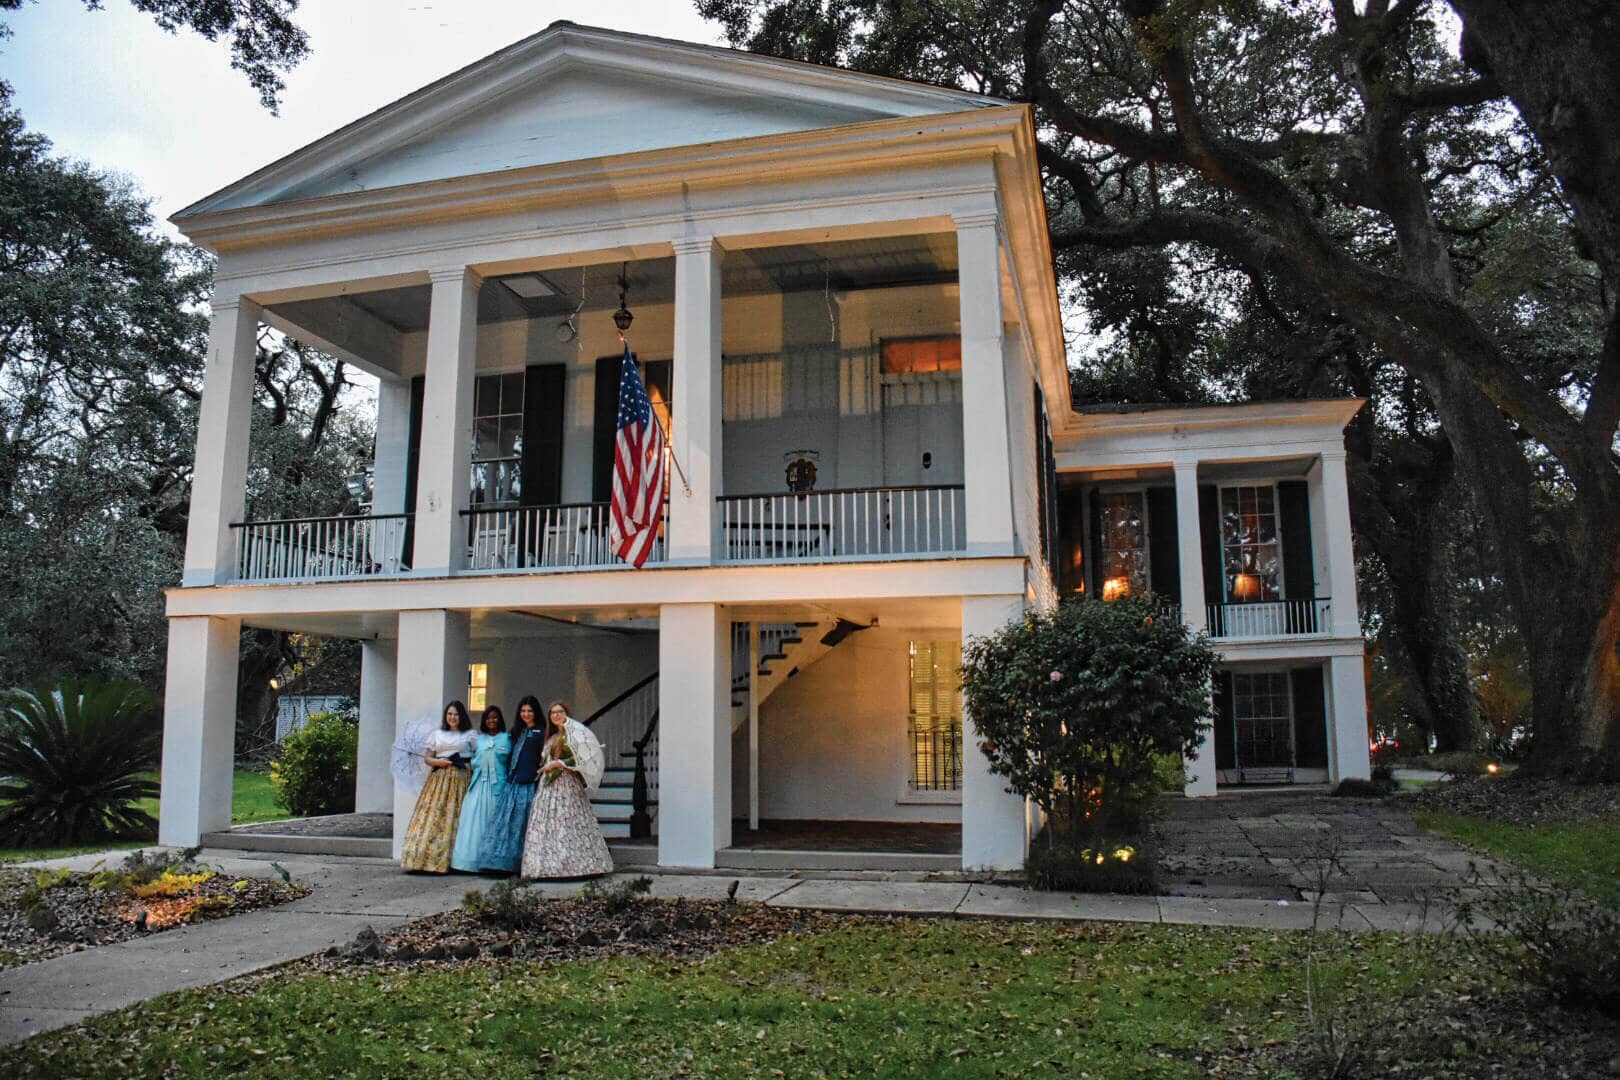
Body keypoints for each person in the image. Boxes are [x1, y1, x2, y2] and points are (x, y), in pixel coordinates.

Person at [520, 701, 612, 879]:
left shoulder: (574, 736)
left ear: (566, 713)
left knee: (568, 820)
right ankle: (546, 866)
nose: (556, 715)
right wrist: (546, 764)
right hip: (548, 785)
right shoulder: (551, 738)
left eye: (559, 712)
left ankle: (577, 866)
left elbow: (579, 761)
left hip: (567, 783)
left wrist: (559, 763)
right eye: (553, 713)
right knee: (546, 823)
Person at [400, 700, 477, 873]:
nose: (452, 717)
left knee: (457, 816)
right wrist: (439, 762)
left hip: (460, 778)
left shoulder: (470, 735)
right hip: (440, 778)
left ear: (461, 716)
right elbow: (428, 758)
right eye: (449, 714)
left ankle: (454, 860)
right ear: (446, 716)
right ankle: (425, 859)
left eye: (456, 714)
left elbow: (475, 757)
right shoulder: (437, 734)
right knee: (435, 815)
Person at [476, 695, 545, 873]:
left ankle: (523, 863)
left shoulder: (541, 732)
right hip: (513, 782)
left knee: (525, 824)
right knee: (506, 823)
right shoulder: (516, 732)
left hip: (530, 782)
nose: (526, 714)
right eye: (523, 711)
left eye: (529, 711)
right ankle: (500, 863)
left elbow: (543, 756)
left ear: (535, 712)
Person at [450, 705, 510, 873]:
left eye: (495, 717)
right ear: (484, 721)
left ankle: (493, 862)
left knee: (494, 821)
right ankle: (469, 862)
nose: (492, 720)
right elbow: (469, 757)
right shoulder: (479, 739)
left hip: (498, 785)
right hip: (478, 784)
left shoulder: (507, 739)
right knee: (473, 821)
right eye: (488, 718)